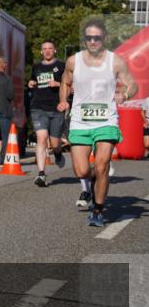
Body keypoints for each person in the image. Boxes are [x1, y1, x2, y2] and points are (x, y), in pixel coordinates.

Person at [58, 18, 137, 227]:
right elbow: (65, 83)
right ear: (84, 39)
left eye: (97, 38)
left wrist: (126, 95)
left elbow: (132, 84)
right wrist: (63, 101)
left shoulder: (115, 61)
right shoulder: (73, 61)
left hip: (106, 121)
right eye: (89, 38)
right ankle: (93, 180)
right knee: (82, 171)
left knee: (102, 165)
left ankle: (98, 210)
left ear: (104, 38)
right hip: (80, 122)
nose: (93, 41)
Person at [28, 41, 67, 187]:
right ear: (41, 52)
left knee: (55, 143)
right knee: (41, 138)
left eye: (50, 48)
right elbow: (33, 80)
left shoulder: (62, 66)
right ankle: (41, 174)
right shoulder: (37, 67)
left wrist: (57, 84)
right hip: (38, 108)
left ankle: (57, 153)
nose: (47, 51)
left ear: (55, 50)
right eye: (44, 49)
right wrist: (31, 83)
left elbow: (71, 85)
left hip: (56, 108)